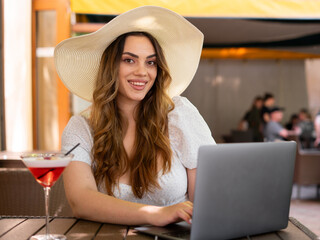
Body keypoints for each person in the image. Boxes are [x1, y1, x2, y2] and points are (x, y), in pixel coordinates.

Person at [55, 6, 215, 227]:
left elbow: (208, 203)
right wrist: (154, 214)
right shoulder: (81, 128)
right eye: (129, 60)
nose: (142, 72)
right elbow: (80, 201)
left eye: (150, 62)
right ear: (110, 66)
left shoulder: (180, 114)